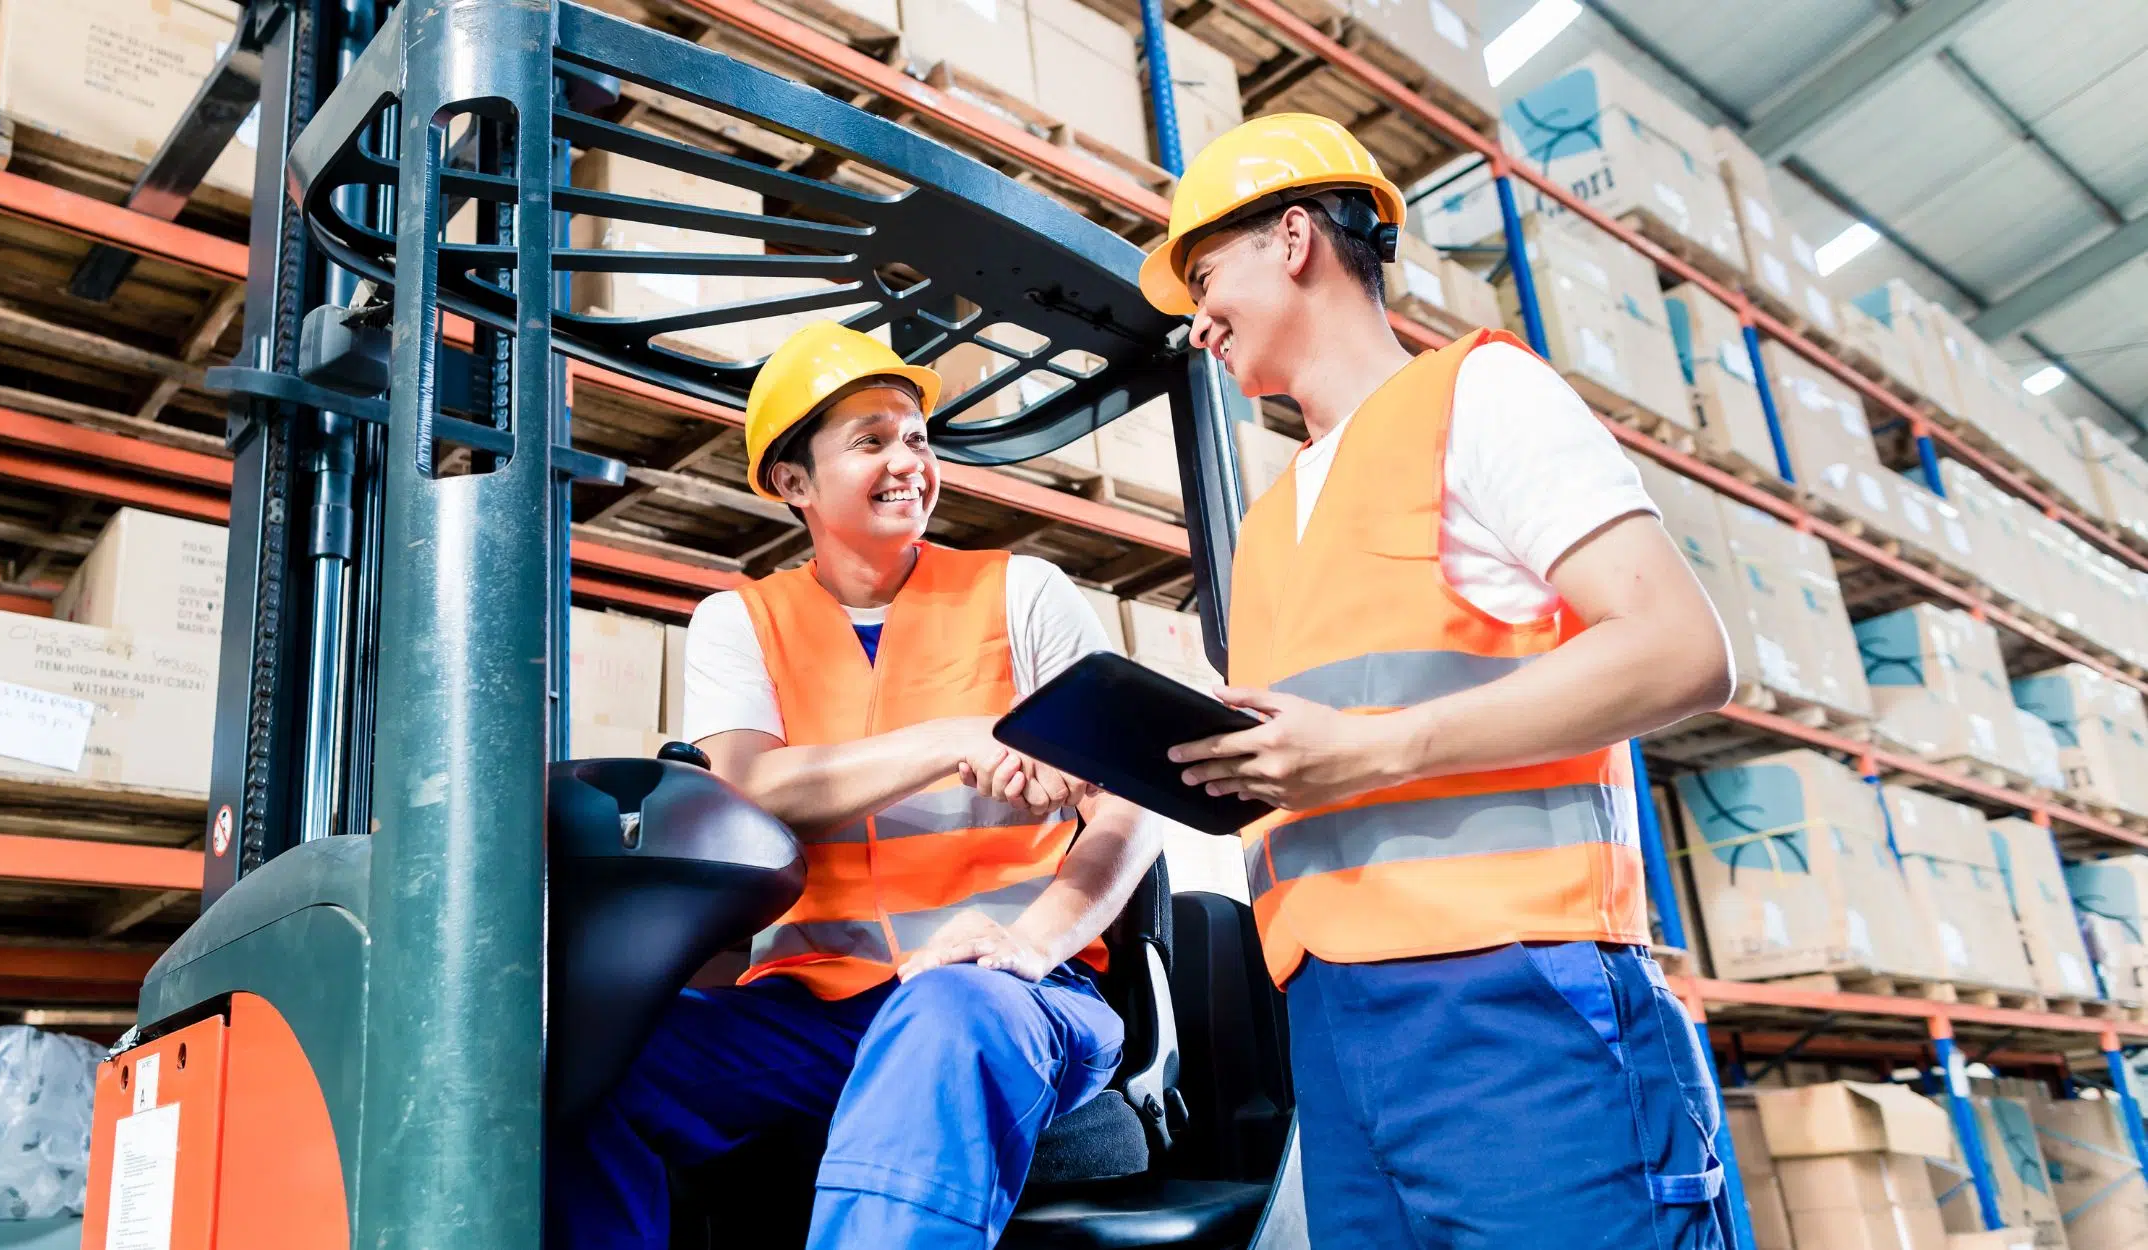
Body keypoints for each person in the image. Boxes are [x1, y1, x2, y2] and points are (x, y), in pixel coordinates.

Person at [1144, 114, 1739, 1249]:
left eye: (1204, 275)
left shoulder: (1478, 397)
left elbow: (1678, 646)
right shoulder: (1266, 526)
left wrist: (1374, 747)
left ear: (1292, 236)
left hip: (1516, 1002)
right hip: (1330, 1021)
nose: (1196, 316)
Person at [549, 321, 1162, 1249]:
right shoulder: (742, 622)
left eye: (915, 436)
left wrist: (1034, 944)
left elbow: (1130, 800)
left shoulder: (1021, 594)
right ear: (794, 483)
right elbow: (749, 786)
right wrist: (955, 736)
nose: (907, 459)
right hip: (808, 1011)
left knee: (945, 1014)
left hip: (1007, 991)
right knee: (582, 1063)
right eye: (870, 441)